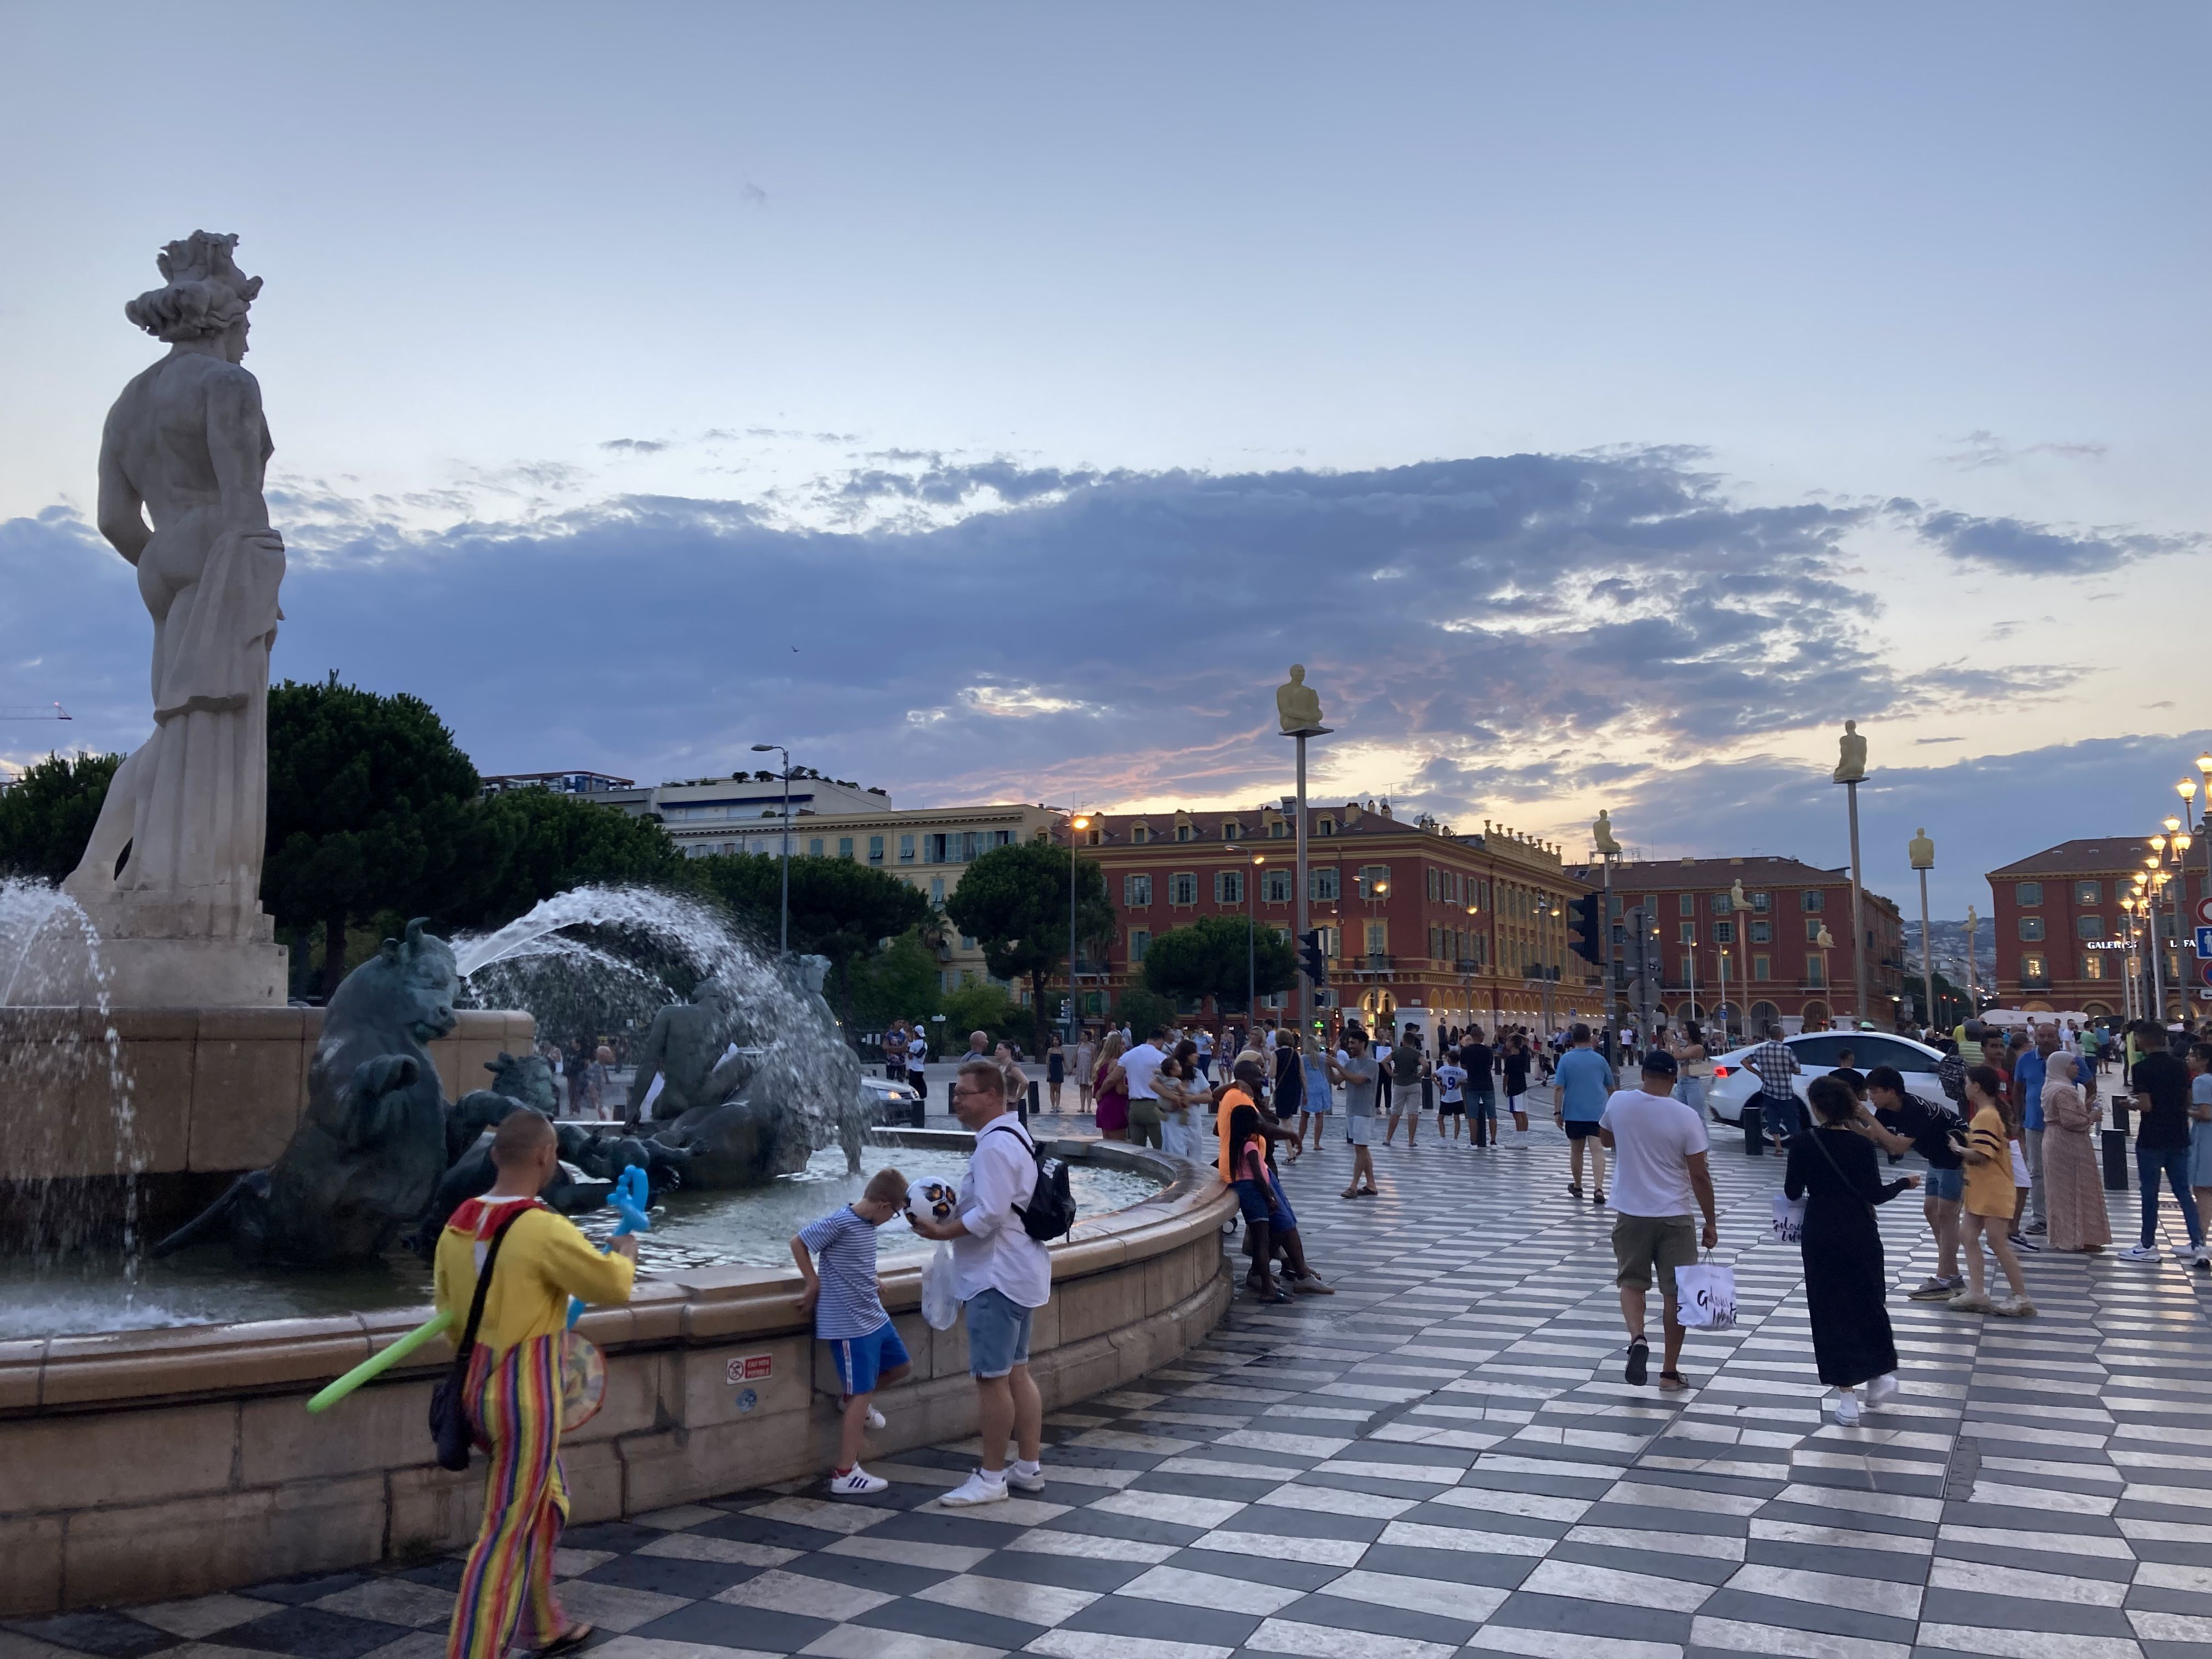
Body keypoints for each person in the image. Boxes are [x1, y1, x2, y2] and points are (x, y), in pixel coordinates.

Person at [436, 1111, 639, 1659]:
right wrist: (627, 1246)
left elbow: (447, 1313)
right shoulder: (542, 1227)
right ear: (548, 1157)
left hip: (475, 1387)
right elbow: (612, 1286)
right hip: (527, 1399)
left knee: (549, 1500)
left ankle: (543, 1623)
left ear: (495, 1156)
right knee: (504, 1532)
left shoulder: (457, 1224)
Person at [908, 1059, 1051, 1506]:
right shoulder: (1014, 1135)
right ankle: (1027, 1467)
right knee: (1018, 1372)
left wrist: (940, 1232)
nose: (956, 1100)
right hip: (1019, 1271)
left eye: (963, 1093)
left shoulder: (993, 1147)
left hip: (995, 1277)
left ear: (991, 1096)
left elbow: (989, 1215)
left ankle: (991, 1478)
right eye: (956, 1093)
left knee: (992, 1379)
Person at [1786, 1076, 1916, 1425]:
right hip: (1860, 1233)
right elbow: (1876, 1195)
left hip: (1821, 1234)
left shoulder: (1803, 1143)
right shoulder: (1861, 1146)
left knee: (1828, 1310)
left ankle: (1847, 1398)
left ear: (1816, 1107)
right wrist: (1905, 1183)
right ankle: (1878, 1374)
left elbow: (1792, 1192)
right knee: (1868, 1302)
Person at [1599, 1051, 1718, 1390]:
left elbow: (1605, 1139)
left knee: (1631, 1283)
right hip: (1674, 1216)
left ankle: (1637, 1338)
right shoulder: (1686, 1116)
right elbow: (1699, 1175)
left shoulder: (1619, 1102)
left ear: (1644, 1074)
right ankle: (1669, 1373)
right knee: (1675, 1295)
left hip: (1631, 1213)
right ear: (1674, 1078)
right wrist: (1710, 1222)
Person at [792, 1169, 914, 1496]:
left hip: (873, 1316)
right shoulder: (841, 1222)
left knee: (902, 1367)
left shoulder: (866, 1225)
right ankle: (845, 1473)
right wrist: (812, 1283)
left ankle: (850, 1402)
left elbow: (850, 1258)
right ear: (884, 1205)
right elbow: (799, 1242)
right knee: (862, 1393)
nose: (892, 1220)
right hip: (849, 1324)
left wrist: (870, 1277)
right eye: (895, 1213)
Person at [1860, 1065, 1968, 1300]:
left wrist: (1866, 1116)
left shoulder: (1913, 1109)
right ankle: (1952, 1276)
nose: (1871, 1097)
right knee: (1931, 1211)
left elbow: (1898, 1147)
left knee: (1947, 1216)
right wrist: (1849, 1118)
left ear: (1891, 1091)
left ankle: (1944, 1280)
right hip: (1937, 1160)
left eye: (1875, 1091)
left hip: (1957, 1159)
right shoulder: (1886, 1110)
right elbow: (1870, 1136)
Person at [1951, 1065, 2036, 1315]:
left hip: (1992, 1189)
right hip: (1980, 1189)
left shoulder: (1986, 1116)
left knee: (1997, 1242)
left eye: (1967, 1083)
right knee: (1968, 1235)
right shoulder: (1987, 1114)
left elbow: (1982, 1155)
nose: (1965, 1087)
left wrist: (1957, 1148)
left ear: (1977, 1087)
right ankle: (1977, 1293)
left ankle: (2021, 1297)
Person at [2120, 1023, 2207, 1263]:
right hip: (2179, 1134)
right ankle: (2198, 1244)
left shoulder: (2141, 1068)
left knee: (2150, 1192)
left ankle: (2148, 1245)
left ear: (2143, 1039)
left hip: (2152, 1137)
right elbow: (2188, 1099)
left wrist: (2130, 1104)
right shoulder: (2180, 1066)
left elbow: (2146, 1105)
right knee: (2183, 1192)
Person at [2041, 1051, 2111, 1252]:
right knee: (2078, 1188)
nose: (2077, 1067)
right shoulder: (2064, 1090)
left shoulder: (2051, 1086)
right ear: (2062, 1067)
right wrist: (2092, 1117)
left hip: (2054, 1139)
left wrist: (2084, 1108)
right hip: (2068, 1143)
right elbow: (2070, 1121)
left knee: (2061, 1192)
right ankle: (2079, 1238)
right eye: (2072, 1064)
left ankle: (2064, 1236)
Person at [1554, 1024, 1613, 1203]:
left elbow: (1558, 1088)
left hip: (1574, 1113)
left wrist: (1557, 1112)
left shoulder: (1565, 1060)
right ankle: (1599, 1188)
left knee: (1576, 1151)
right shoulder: (1600, 1060)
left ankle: (1578, 1186)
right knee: (1598, 1151)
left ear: (1573, 1039)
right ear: (1590, 1038)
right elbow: (1610, 1087)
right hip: (1597, 1113)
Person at [1328, 1025, 1383, 1198]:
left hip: (1364, 1111)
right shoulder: (1351, 1063)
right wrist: (1328, 1065)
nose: (1350, 1046)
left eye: (1353, 1043)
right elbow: (1336, 1080)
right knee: (1362, 1148)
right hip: (1352, 1110)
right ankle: (1371, 1184)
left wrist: (1338, 1065)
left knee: (1360, 1148)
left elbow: (1357, 1080)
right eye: (1349, 1043)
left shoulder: (1371, 1064)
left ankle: (1353, 1186)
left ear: (1363, 1043)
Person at [1742, 1024, 1802, 1154]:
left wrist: (1759, 1073)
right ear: (1781, 1035)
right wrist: (1788, 1069)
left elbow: (1745, 1062)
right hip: (1786, 1092)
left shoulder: (1761, 1050)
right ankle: (1796, 1147)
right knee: (1792, 1119)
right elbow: (1798, 1069)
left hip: (1769, 1091)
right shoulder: (1787, 1050)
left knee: (1773, 1118)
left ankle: (1778, 1148)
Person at [1122, 1026, 1169, 1150]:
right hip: (1153, 1106)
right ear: (1159, 1041)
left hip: (1134, 1107)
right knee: (1161, 1148)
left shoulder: (1128, 1055)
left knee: (1137, 1150)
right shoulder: (1160, 1057)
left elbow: (1116, 1075)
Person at [1384, 1027, 1425, 1148]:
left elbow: (1384, 1062)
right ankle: (1411, 1141)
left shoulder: (1397, 1052)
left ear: (1403, 1040)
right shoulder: (1416, 1053)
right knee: (1413, 1112)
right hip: (1414, 1084)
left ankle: (1388, 1139)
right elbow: (1426, 1065)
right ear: (1413, 1041)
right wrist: (1420, 1075)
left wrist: (1391, 1074)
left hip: (1399, 1084)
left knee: (1396, 1112)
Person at [1461, 1026, 1498, 1149]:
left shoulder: (1466, 1051)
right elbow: (1490, 1066)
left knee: (1472, 1115)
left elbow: (1463, 1066)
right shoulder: (1488, 1051)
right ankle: (1493, 1142)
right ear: (1480, 1036)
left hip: (1473, 1084)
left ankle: (1474, 1142)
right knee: (1492, 1114)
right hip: (1487, 1084)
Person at [1092, 1031, 1130, 1141]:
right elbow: (1120, 1090)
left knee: (1107, 1143)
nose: (1125, 1047)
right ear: (1115, 1046)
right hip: (1116, 1106)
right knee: (1119, 1145)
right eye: (1122, 1044)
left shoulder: (1101, 1064)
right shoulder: (1117, 1063)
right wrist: (1135, 1088)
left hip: (1103, 1106)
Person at [1299, 1035, 1334, 1151]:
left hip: (1308, 1087)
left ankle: (1300, 1141)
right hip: (1321, 1086)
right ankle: (1316, 1143)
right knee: (1319, 1116)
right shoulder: (1323, 1057)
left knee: (1304, 1116)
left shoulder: (1302, 1059)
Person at [1501, 1032, 1533, 1146]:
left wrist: (1504, 1088)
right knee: (1523, 1112)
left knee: (1517, 1113)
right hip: (1523, 1086)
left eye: (1508, 1041)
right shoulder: (1523, 1054)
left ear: (1512, 1044)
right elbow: (1527, 1041)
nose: (1507, 1043)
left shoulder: (1511, 1059)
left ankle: (1520, 1140)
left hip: (1514, 1088)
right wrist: (1517, 1034)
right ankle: (1524, 1138)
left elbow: (1506, 1076)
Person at [1434, 1048, 1468, 1143]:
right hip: (1457, 1097)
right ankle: (1455, 1140)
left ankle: (1443, 1138)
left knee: (1440, 1118)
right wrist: (1460, 1083)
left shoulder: (1443, 1069)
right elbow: (1468, 1080)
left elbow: (1433, 1076)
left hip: (1446, 1097)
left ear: (1450, 1060)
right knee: (1457, 1119)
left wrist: (1440, 1087)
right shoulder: (1461, 1071)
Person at [907, 1024, 931, 1103]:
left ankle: (915, 1099)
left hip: (913, 1067)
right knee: (920, 1082)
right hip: (921, 1068)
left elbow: (910, 1057)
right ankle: (922, 1096)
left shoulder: (914, 1044)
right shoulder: (925, 1044)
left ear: (916, 1033)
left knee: (913, 1085)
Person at [1045, 1033, 1066, 1111]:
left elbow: (1065, 1062)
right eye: (1054, 1040)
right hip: (1052, 1069)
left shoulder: (1062, 1050)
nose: (1055, 1041)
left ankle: (1058, 1105)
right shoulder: (1050, 1050)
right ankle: (1053, 1105)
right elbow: (1047, 1062)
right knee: (1052, 1089)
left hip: (1059, 1070)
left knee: (1058, 1089)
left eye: (1056, 1040)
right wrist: (1048, 1072)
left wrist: (1068, 1070)